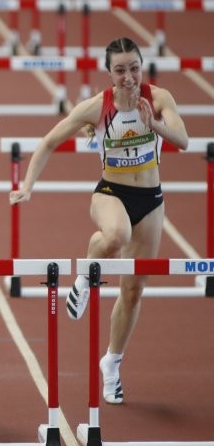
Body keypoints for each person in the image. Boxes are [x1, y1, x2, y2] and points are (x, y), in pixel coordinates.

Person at [10, 37, 188, 405]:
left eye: (134, 68)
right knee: (116, 236)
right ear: (109, 74)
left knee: (133, 289)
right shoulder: (97, 108)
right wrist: (27, 186)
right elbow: (48, 142)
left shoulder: (159, 98)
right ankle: (81, 278)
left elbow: (183, 139)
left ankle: (112, 362)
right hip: (110, 194)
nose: (128, 77)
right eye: (120, 70)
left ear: (142, 67)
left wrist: (153, 123)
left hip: (151, 201)